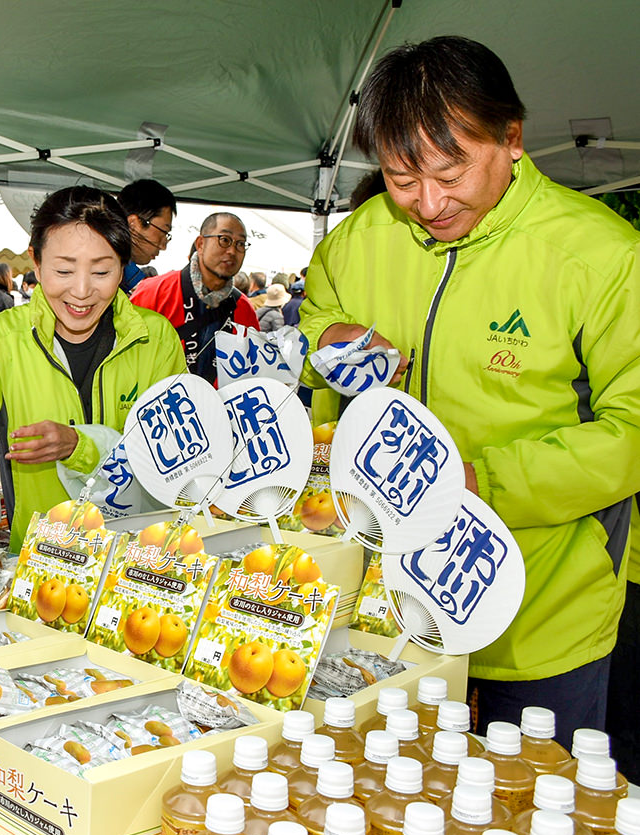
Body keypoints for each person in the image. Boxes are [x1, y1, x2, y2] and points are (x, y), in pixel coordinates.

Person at [299, 35, 640, 742]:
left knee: (533, 800)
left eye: (450, 171)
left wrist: (483, 482)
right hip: (387, 610)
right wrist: (331, 342)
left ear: (512, 138)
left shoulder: (600, 257)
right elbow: (314, 318)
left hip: (541, 606)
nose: (427, 202)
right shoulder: (362, 236)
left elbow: (630, 429)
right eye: (401, 178)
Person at [0, 186, 186, 550]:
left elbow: (176, 449)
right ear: (36, 261)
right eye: (63, 270)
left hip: (135, 562)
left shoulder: (155, 339)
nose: (81, 291)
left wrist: (81, 446)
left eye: (101, 271)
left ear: (123, 267)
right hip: (39, 559)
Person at [129, 212, 260, 385]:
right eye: (224, 240)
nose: (232, 251)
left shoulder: (243, 308)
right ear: (201, 243)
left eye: (241, 244)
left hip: (220, 409)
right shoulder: (153, 292)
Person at [115, 179, 176, 292]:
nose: (163, 246)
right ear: (133, 224)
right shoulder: (116, 276)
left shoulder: (128, 277)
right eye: (163, 231)